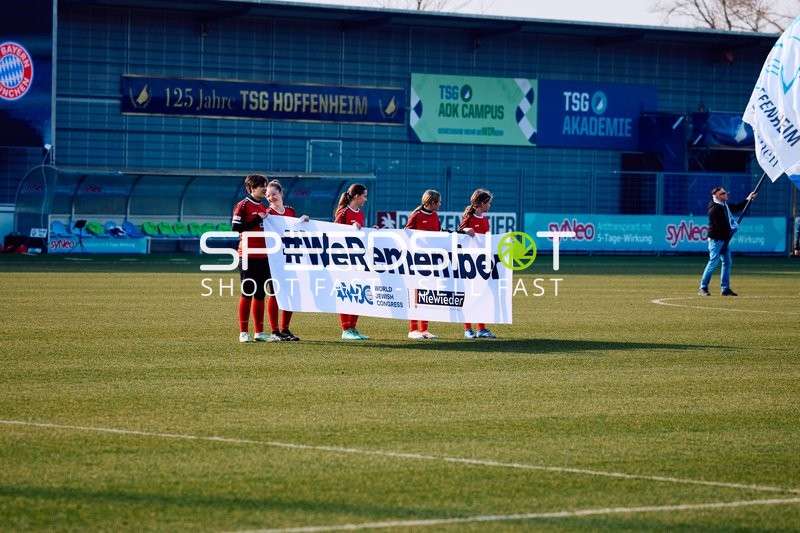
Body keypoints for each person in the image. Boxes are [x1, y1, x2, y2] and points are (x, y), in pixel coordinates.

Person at [265, 179, 310, 341]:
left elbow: (293, 228)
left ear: (281, 193)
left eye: (273, 194)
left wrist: (303, 221)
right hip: (274, 258)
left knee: (290, 291)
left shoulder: (290, 210)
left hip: (290, 257)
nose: (271, 198)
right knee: (275, 292)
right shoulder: (267, 213)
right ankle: (274, 331)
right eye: (268, 195)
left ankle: (285, 329)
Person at [231, 174, 271, 342]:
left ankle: (259, 332)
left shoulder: (263, 206)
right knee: (247, 292)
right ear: (252, 188)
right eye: (262, 186)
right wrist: (257, 219)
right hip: (247, 255)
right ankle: (243, 332)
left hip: (264, 256)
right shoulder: (243, 205)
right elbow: (235, 228)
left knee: (261, 294)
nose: (265, 189)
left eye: (266, 185)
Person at [698, 186, 757, 297]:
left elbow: (737, 207)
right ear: (717, 196)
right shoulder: (714, 209)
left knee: (727, 262)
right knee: (713, 263)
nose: (726, 194)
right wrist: (732, 228)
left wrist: (748, 199)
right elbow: (720, 226)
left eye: (725, 192)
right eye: (723, 193)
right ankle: (703, 287)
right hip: (716, 240)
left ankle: (725, 289)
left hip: (724, 239)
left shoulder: (724, 205)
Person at [458, 188, 497, 339]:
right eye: (488, 203)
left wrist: (505, 242)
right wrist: (465, 230)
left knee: (483, 295)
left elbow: (488, 240)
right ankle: (468, 329)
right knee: (469, 296)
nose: (490, 206)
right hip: (469, 264)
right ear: (481, 203)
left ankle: (481, 329)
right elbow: (458, 235)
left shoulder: (485, 220)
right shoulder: (468, 218)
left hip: (482, 263)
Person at [334, 183, 370, 340]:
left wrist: (371, 230)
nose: (365, 199)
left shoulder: (360, 213)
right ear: (356, 196)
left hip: (358, 258)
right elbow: (334, 233)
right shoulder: (343, 212)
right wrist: (349, 228)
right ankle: (345, 329)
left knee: (359, 292)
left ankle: (353, 328)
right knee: (346, 293)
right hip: (344, 259)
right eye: (364, 196)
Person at [405, 189, 443, 339]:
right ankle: (413, 330)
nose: (440, 204)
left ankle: (424, 329)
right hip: (417, 261)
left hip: (431, 260)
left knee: (427, 294)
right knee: (415, 294)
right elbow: (406, 235)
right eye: (438, 202)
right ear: (432, 202)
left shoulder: (435, 216)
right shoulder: (416, 215)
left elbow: (439, 234)